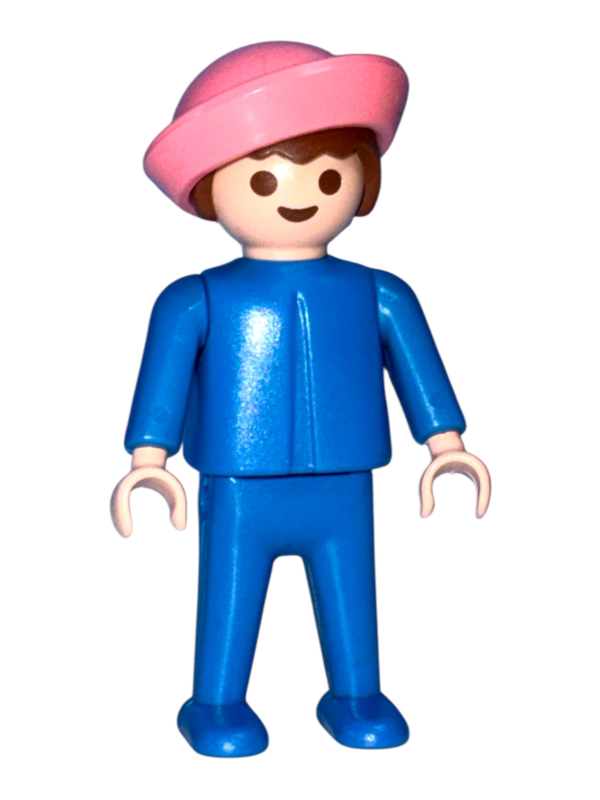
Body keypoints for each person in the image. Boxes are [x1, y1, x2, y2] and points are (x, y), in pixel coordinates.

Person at [111, 41, 491, 757]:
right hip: (240, 484)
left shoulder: (379, 292)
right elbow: (162, 381)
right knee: (230, 593)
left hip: (343, 480)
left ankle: (356, 695)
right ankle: (217, 703)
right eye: (262, 179)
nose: (300, 194)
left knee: (352, 593)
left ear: (363, 179)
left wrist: (446, 443)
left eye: (329, 173)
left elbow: (418, 368)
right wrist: (148, 458)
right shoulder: (196, 298)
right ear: (211, 188)